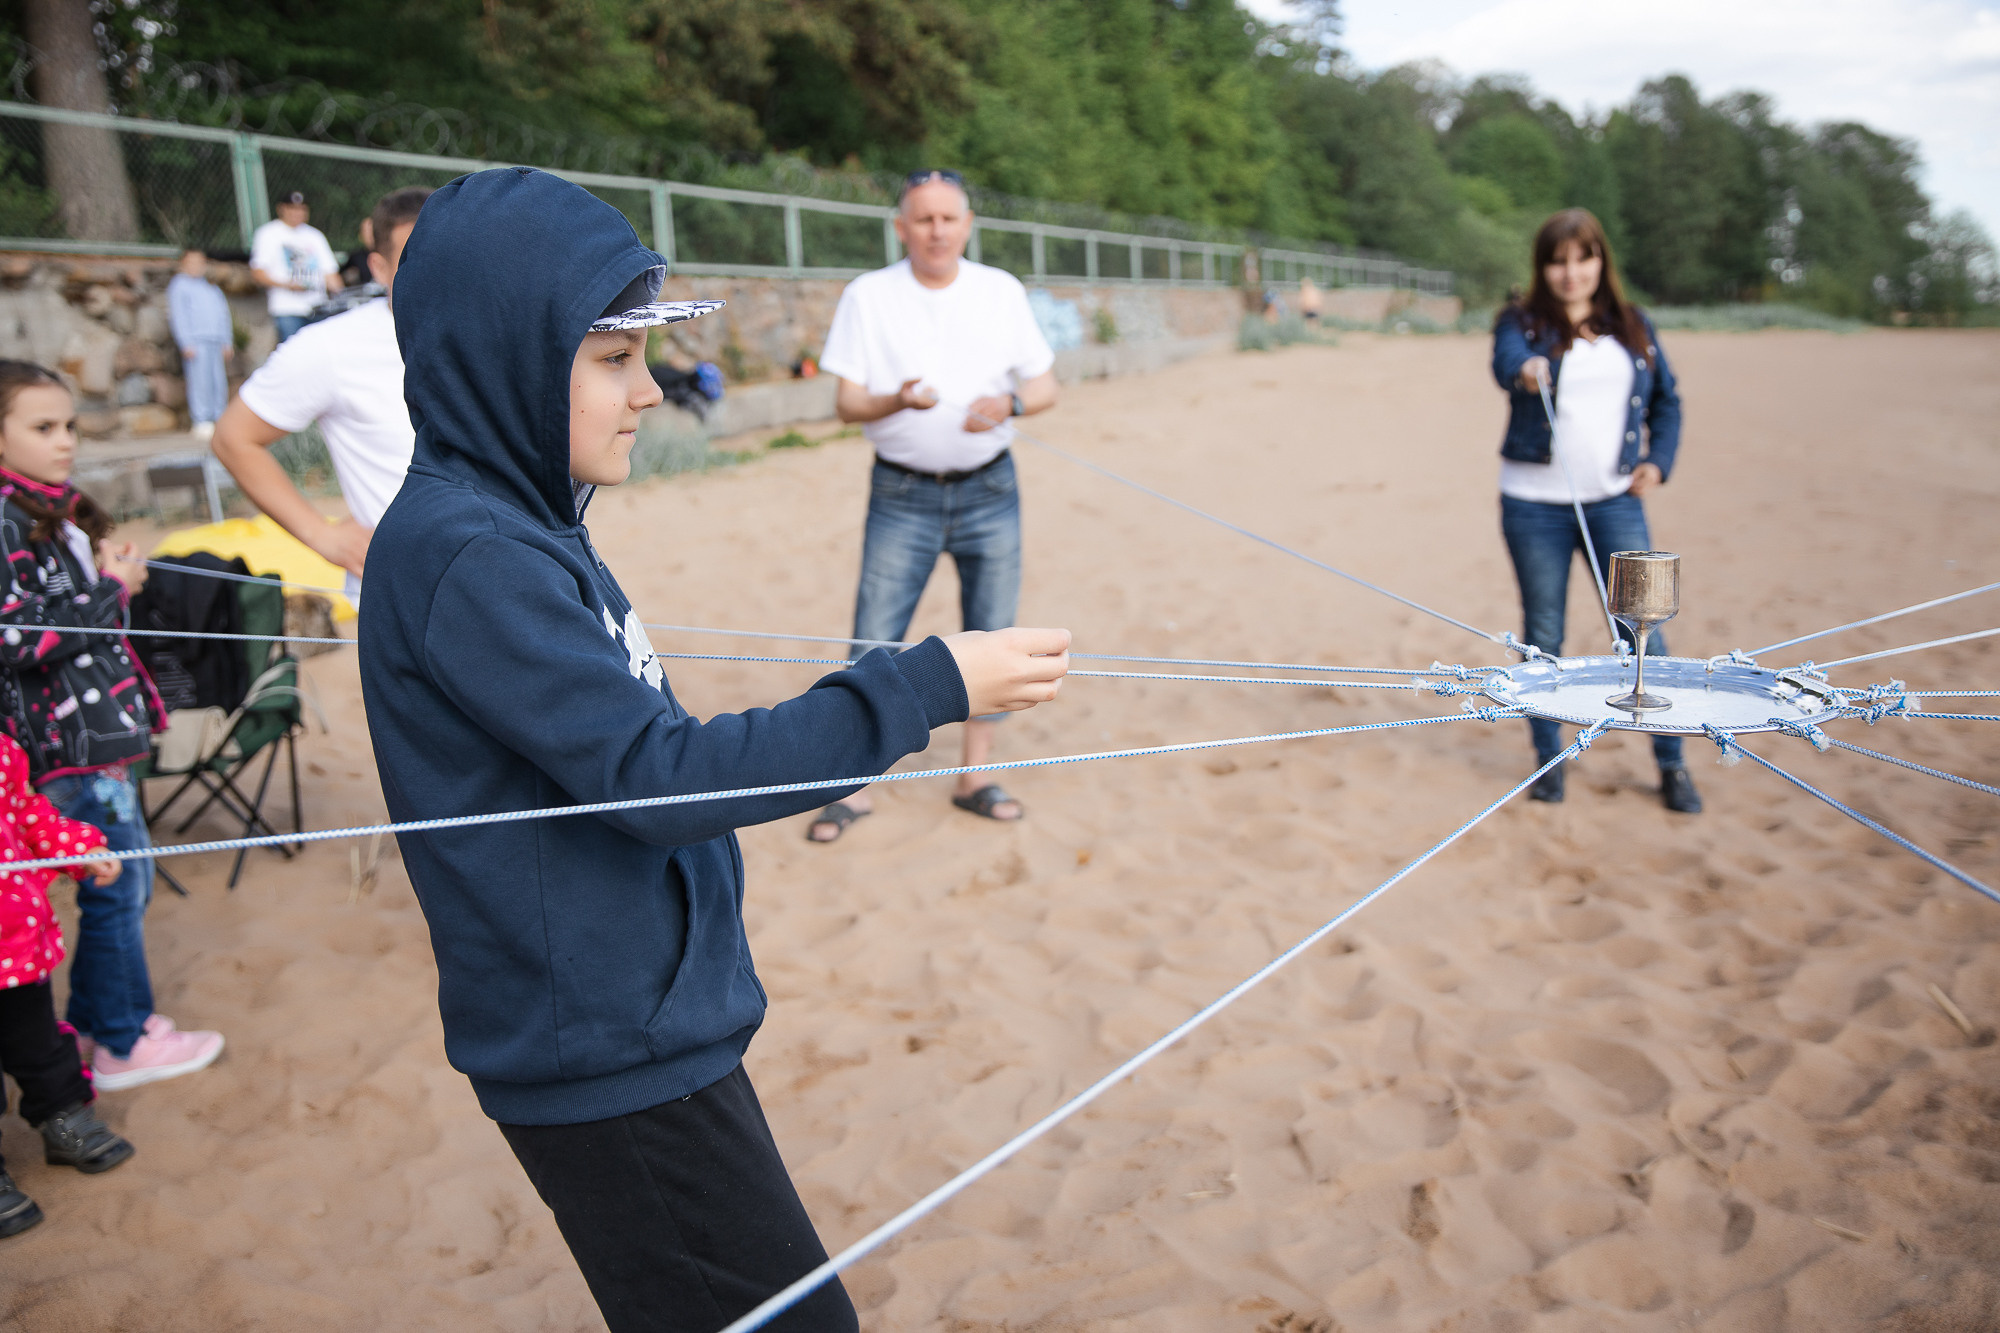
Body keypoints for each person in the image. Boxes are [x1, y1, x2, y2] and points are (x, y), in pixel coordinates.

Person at [359, 166, 1069, 1333]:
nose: (646, 392)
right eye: (608, 358)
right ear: (502, 354)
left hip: (643, 1022)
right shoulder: (468, 551)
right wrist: (920, 686)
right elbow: (660, 774)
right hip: (599, 1052)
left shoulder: (522, 524)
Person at [809, 168, 1059, 842]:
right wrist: (899, 398)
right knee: (873, 637)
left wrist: (1007, 404)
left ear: (968, 224)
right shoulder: (868, 295)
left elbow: (1045, 387)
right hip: (901, 493)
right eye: (923, 219)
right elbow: (846, 405)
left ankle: (974, 776)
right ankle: (854, 787)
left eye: (949, 218)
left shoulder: (1000, 292)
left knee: (994, 632)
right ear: (901, 228)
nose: (937, 230)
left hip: (990, 489)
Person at [0, 361, 226, 1088]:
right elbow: (17, 638)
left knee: (121, 883)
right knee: (117, 886)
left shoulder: (52, 511)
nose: (64, 440)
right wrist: (109, 589)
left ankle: (104, 1022)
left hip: (101, 735)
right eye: (42, 427)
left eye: (69, 424)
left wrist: (104, 575)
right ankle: (124, 1042)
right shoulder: (6, 522)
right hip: (68, 747)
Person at [1490, 208, 1700, 814]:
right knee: (1543, 638)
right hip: (1533, 507)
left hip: (1615, 502)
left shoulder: (1634, 326)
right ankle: (1550, 765)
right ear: (1542, 268)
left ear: (1600, 261)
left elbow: (1668, 403)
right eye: (1557, 260)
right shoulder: (1520, 323)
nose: (1570, 272)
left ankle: (1672, 765)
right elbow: (1508, 365)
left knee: (1643, 636)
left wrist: (1657, 462)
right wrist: (1529, 370)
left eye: (1582, 257)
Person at [214, 187, 432, 600]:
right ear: (379, 267)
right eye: (412, 258)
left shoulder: (495, 330)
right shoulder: (331, 348)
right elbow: (233, 438)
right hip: (410, 599)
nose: (435, 271)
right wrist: (323, 536)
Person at [0, 730, 136, 1239]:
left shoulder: (2, 751)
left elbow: (29, 814)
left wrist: (78, 849)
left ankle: (62, 1119)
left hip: (16, 947)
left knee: (39, 1043)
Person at [249, 190, 343, 343]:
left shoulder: (315, 235)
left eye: (301, 209)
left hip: (318, 307)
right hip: (287, 310)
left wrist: (342, 295)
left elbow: (330, 273)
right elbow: (258, 273)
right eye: (292, 208)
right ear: (281, 209)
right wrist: (288, 285)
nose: (297, 213)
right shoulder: (268, 233)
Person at [165, 247, 233, 440]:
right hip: (196, 342)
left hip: (216, 340)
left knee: (218, 381)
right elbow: (178, 316)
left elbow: (223, 315)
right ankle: (201, 420)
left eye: (200, 262)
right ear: (183, 264)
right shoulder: (179, 286)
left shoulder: (211, 288)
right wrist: (186, 341)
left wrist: (226, 340)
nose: (196, 266)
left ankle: (220, 417)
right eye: (191, 262)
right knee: (199, 381)